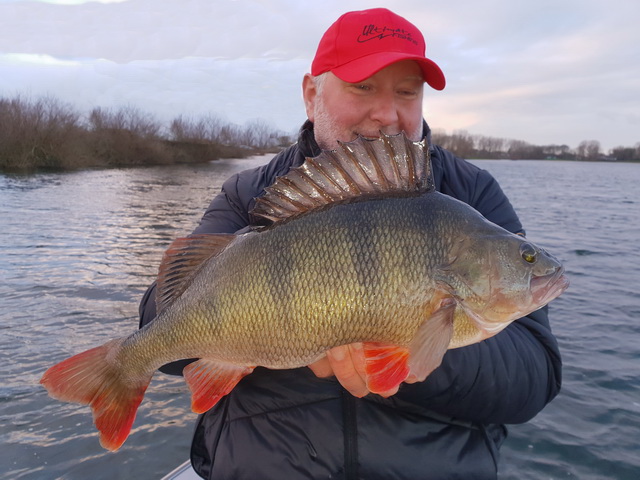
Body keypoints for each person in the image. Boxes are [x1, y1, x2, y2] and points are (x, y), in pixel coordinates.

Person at [139, 8, 561, 479]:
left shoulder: (472, 195)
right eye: (363, 87)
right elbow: (163, 336)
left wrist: (416, 353)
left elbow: (534, 378)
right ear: (311, 93)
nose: (386, 114)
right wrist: (266, 303)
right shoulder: (250, 193)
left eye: (406, 92)